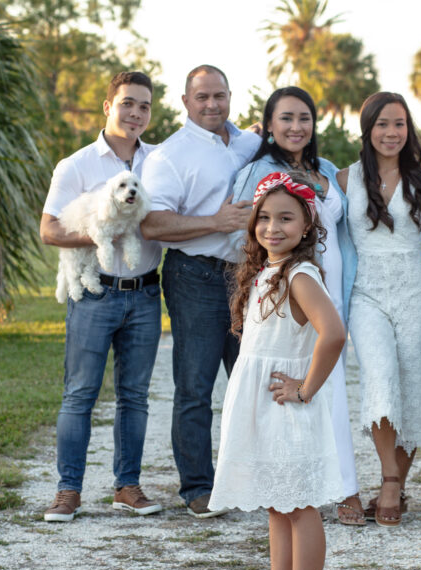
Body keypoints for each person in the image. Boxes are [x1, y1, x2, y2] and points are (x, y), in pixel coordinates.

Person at [211, 172, 345, 570]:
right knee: (276, 503)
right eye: (264, 218)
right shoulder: (266, 270)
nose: (273, 227)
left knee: (300, 504)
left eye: (286, 218)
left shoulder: (300, 275)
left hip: (290, 410)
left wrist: (305, 389)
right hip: (265, 408)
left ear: (307, 224)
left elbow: (334, 334)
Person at [230, 87, 363, 526]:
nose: (295, 127)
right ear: (268, 125)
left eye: (304, 118)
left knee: (331, 385)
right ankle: (310, 486)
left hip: (328, 283)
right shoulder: (258, 171)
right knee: (302, 389)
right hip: (288, 285)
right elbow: (249, 229)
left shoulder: (325, 170)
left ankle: (343, 484)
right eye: (285, 118)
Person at [40, 71, 163, 522]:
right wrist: (101, 239)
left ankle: (126, 487)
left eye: (144, 106)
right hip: (95, 297)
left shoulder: (158, 161)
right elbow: (49, 229)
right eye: (128, 103)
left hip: (147, 293)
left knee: (134, 396)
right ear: (107, 106)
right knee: (80, 394)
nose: (135, 113)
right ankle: (68, 490)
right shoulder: (76, 165)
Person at [140, 65, 261, 518]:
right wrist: (217, 220)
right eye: (202, 97)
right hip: (196, 276)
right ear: (186, 101)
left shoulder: (248, 143)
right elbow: (152, 222)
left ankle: (249, 480)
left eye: (219, 96)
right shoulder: (169, 157)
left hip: (247, 276)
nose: (212, 104)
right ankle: (198, 487)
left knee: (249, 381)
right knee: (195, 386)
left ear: (231, 97)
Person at [336, 92, 421, 528]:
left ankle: (394, 483)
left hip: (415, 286)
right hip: (367, 292)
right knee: (380, 375)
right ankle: (390, 478)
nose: (391, 133)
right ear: (368, 129)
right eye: (382, 124)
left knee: (415, 381)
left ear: (408, 129)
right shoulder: (346, 179)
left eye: (399, 124)